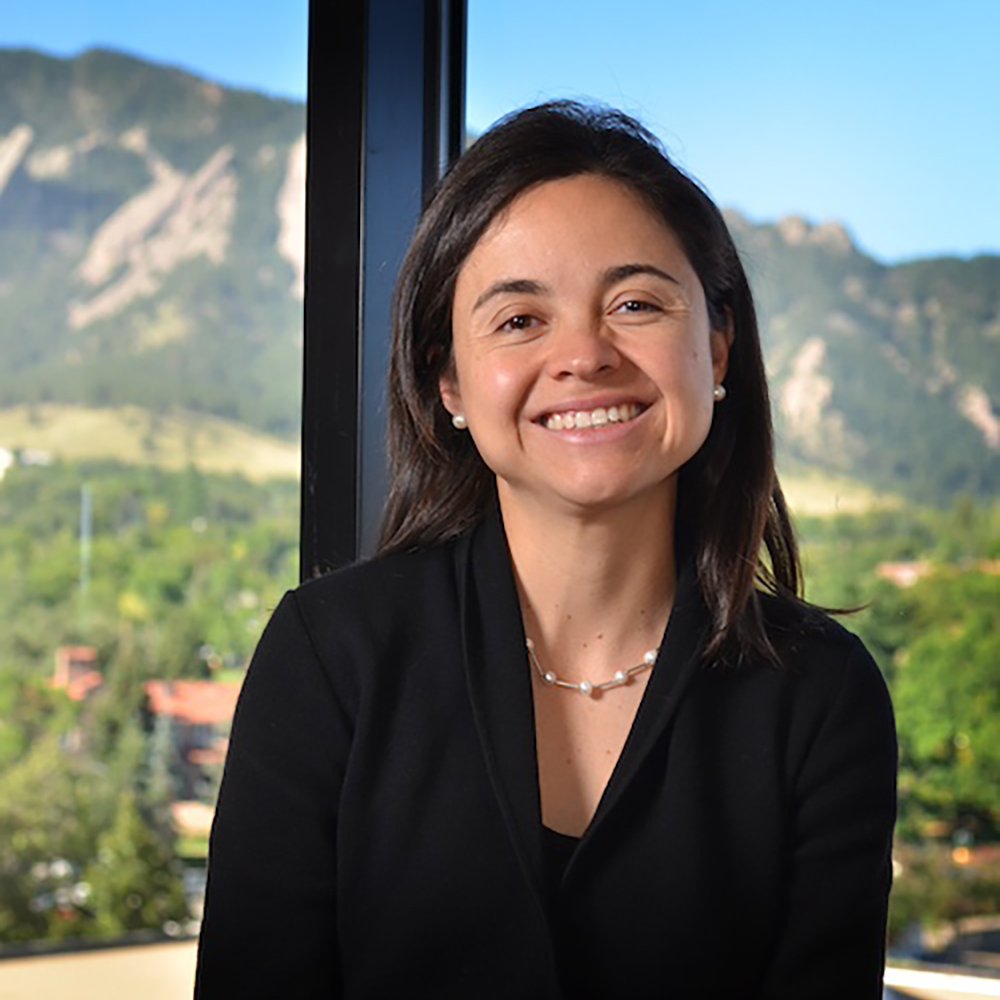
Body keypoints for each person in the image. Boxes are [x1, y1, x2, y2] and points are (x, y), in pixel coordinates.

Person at [195, 101, 897, 999]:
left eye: (636, 303)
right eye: (520, 320)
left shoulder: (822, 694)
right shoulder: (330, 657)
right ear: (448, 381)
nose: (584, 356)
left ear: (717, 350)